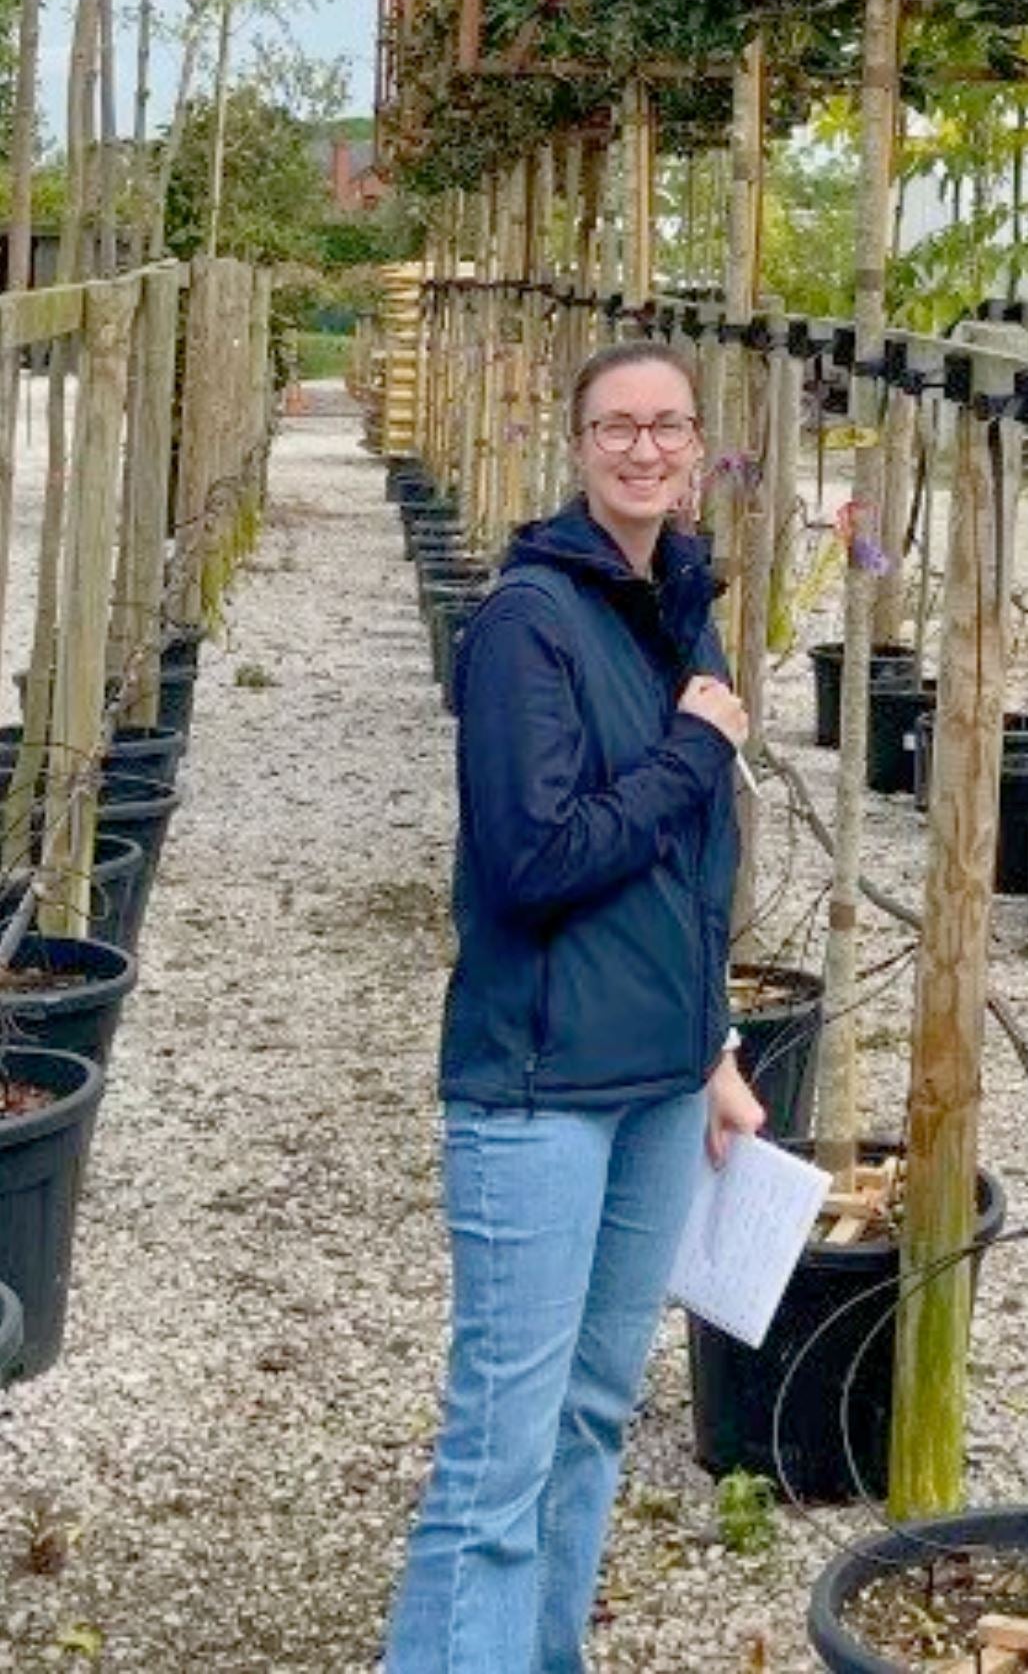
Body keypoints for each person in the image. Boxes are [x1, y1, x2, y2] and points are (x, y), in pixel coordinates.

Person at [383, 337, 765, 1674]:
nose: (644, 449)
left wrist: (711, 1044)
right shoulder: (525, 622)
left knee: (595, 1409)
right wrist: (692, 749)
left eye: (667, 426)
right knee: (500, 1446)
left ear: (699, 441)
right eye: (617, 427)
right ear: (577, 442)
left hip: (658, 1084)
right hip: (536, 1089)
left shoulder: (680, 602)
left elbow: (694, 875)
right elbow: (531, 860)